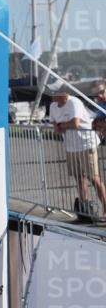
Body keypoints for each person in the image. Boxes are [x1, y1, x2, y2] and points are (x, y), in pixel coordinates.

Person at [49, 88, 106, 222]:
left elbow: (75, 123)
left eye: (60, 94)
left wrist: (61, 125)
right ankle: (84, 211)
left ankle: (105, 210)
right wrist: (61, 126)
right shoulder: (52, 106)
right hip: (71, 146)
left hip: (86, 144)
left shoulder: (75, 102)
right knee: (79, 179)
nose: (55, 97)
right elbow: (55, 127)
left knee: (94, 178)